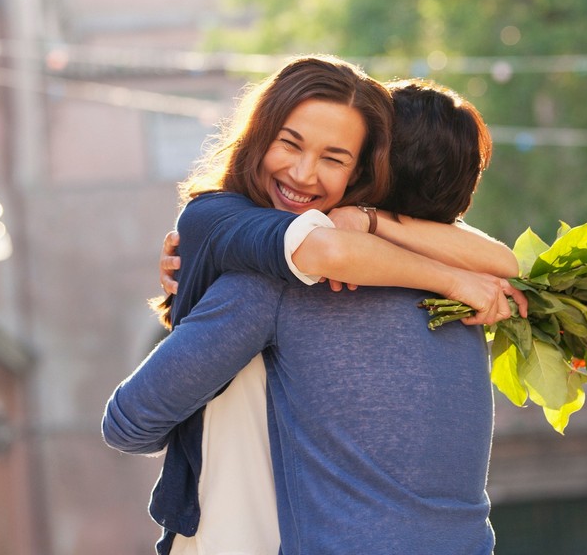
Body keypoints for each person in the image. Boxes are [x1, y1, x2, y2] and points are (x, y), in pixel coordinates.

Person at [105, 57, 522, 554]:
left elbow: (129, 423)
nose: (304, 174)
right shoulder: (463, 294)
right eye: (291, 143)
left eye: (335, 157)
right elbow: (501, 261)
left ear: (366, 171)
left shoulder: (274, 283)